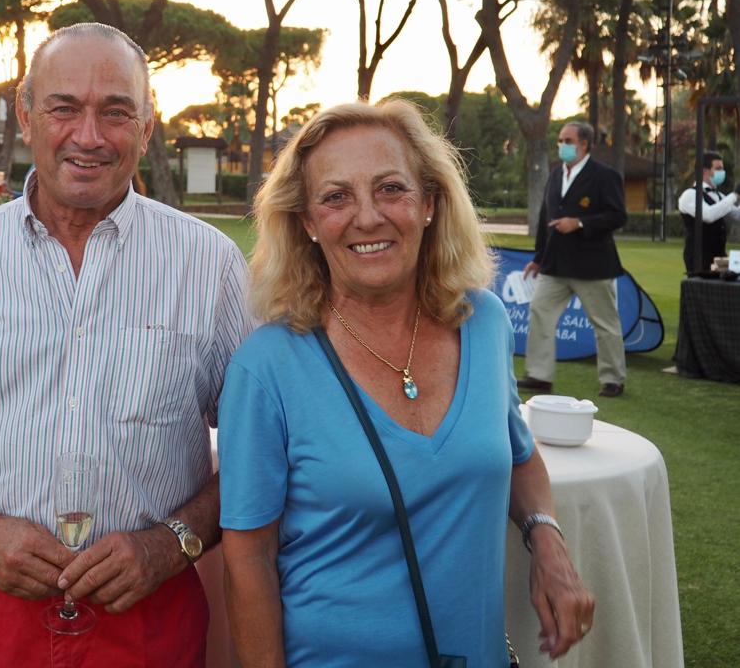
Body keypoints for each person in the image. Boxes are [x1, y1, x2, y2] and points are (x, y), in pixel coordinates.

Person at [0, 22, 252, 668]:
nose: (88, 136)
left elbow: (258, 451)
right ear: (26, 116)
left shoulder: (208, 265)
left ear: (147, 127)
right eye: (64, 108)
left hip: (149, 622)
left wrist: (168, 544)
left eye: (116, 112)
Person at [218, 100, 594, 667]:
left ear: (429, 204)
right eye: (336, 197)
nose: (367, 217)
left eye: (390, 188)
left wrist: (547, 540)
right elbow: (249, 560)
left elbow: (517, 456)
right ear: (307, 223)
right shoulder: (266, 367)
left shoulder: (484, 323)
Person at [518, 121, 628, 397]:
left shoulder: (605, 175)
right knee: (540, 313)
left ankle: (613, 379)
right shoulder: (556, 175)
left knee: (604, 323)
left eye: (567, 140)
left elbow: (618, 216)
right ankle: (539, 375)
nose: (562, 145)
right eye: (560, 140)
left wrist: (579, 223)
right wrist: (538, 258)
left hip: (593, 265)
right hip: (555, 264)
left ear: (584, 145)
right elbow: (546, 218)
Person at [678, 150, 740, 274]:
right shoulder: (690, 195)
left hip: (719, 257)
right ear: (704, 171)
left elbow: (737, 215)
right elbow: (708, 215)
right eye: (718, 168)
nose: (722, 172)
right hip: (698, 258)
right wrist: (735, 195)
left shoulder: (720, 196)